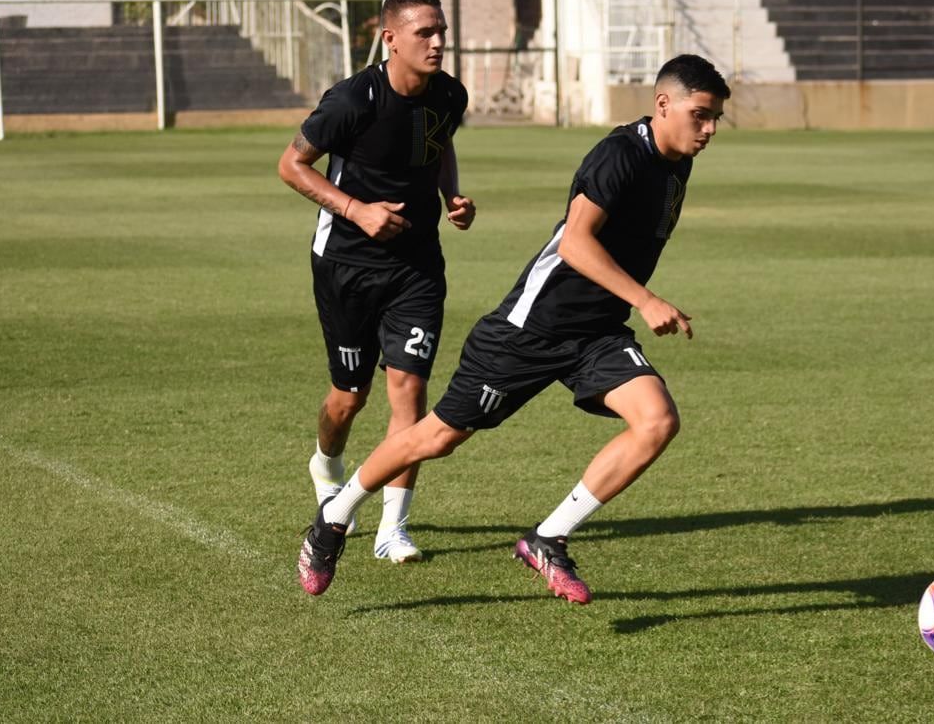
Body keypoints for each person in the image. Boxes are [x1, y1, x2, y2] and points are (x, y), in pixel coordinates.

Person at [297, 54, 730, 602]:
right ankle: (333, 518)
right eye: (700, 115)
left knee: (657, 420)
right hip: (529, 329)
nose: (709, 129)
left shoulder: (676, 164)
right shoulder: (619, 154)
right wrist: (645, 299)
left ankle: (548, 538)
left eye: (715, 118)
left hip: (597, 332)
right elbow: (575, 245)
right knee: (437, 438)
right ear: (663, 105)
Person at [277, 0, 475, 564]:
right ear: (391, 38)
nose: (437, 42)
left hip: (417, 266)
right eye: (424, 32)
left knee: (409, 390)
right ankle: (326, 465)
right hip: (346, 265)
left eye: (441, 31)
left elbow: (439, 144)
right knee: (349, 397)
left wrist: (451, 195)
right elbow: (291, 165)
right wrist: (356, 210)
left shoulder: (450, 94)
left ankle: (394, 527)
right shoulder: (351, 100)